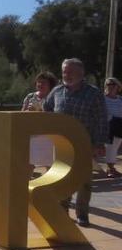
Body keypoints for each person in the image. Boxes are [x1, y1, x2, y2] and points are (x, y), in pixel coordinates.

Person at [43, 58, 107, 227]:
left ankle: (82, 214)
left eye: (70, 72)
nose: (66, 75)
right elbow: (47, 109)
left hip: (86, 144)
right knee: (63, 178)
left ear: (81, 73)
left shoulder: (94, 93)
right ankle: (63, 211)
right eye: (64, 71)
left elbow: (101, 119)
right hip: (62, 144)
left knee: (84, 181)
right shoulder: (56, 91)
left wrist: (99, 144)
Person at [22, 71, 58, 170]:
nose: (40, 84)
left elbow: (56, 115)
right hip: (32, 133)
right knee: (28, 162)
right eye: (39, 82)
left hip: (48, 134)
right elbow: (21, 114)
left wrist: (41, 111)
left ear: (50, 85)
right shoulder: (30, 97)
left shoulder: (54, 98)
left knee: (49, 163)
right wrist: (27, 111)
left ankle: (50, 184)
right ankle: (26, 183)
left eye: (44, 82)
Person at [103, 77, 122, 178]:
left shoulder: (120, 99)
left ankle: (111, 167)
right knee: (110, 147)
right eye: (108, 85)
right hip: (108, 125)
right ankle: (110, 168)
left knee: (115, 147)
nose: (110, 87)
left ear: (117, 87)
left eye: (112, 85)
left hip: (119, 125)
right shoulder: (102, 98)